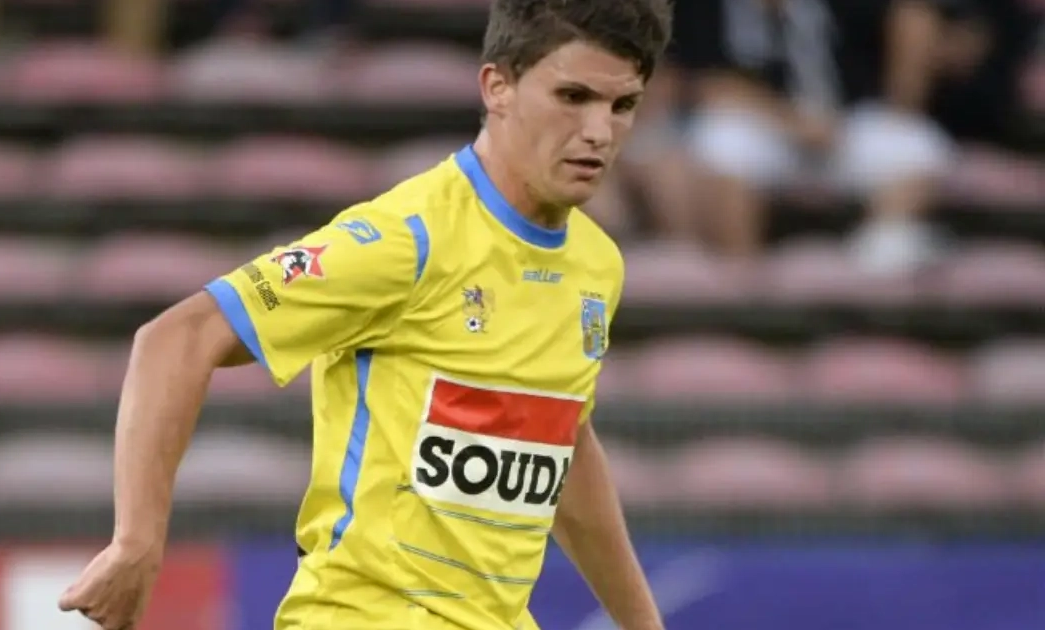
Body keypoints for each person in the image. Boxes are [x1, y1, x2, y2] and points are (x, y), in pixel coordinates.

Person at [58, 0, 673, 629]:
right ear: (498, 87)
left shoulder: (595, 264)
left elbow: (563, 440)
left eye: (622, 105)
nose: (598, 131)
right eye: (573, 96)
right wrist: (136, 540)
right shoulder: (408, 238)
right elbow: (179, 336)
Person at [672, 0, 955, 273]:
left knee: (917, 143)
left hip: (842, 124)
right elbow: (705, 84)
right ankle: (741, 270)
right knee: (721, 142)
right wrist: (793, 122)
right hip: (763, 126)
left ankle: (883, 249)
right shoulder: (707, 7)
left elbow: (904, 20)